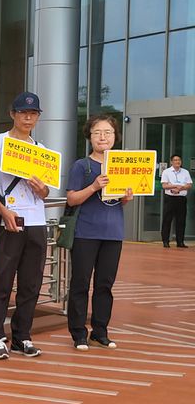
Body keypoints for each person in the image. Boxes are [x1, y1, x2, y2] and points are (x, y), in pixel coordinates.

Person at [0, 92, 49, 360]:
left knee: (31, 284)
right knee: (1, 280)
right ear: (12, 114)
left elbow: (45, 192)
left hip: (36, 222)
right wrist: (3, 212)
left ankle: (22, 336)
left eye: (33, 113)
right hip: (8, 220)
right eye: (23, 112)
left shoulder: (42, 150)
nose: (28, 117)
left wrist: (41, 187)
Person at [66, 114, 134, 350]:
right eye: (97, 132)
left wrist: (126, 198)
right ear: (89, 136)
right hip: (86, 232)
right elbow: (72, 199)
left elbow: (118, 202)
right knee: (81, 283)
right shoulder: (82, 166)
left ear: (115, 137)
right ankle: (78, 333)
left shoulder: (123, 166)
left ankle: (100, 331)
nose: (103, 137)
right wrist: (94, 186)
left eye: (108, 132)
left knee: (105, 284)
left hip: (113, 232)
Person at [160, 154, 192, 248]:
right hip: (170, 199)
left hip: (181, 199)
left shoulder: (185, 172)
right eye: (175, 160)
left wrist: (180, 188)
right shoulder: (166, 172)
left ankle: (180, 242)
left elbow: (189, 185)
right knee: (167, 220)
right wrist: (175, 186)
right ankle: (165, 241)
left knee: (181, 220)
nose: (177, 162)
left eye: (179, 160)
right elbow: (164, 185)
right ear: (171, 162)